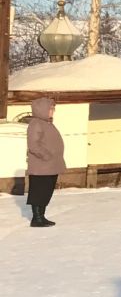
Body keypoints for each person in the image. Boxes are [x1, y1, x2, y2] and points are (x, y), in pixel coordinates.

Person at [25, 96, 63, 228]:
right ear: (42, 109)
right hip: (41, 167)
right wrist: (46, 156)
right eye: (50, 108)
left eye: (53, 109)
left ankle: (41, 216)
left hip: (50, 166)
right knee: (39, 192)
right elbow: (33, 145)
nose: (52, 111)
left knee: (46, 192)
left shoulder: (47, 123)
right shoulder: (36, 123)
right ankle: (37, 218)